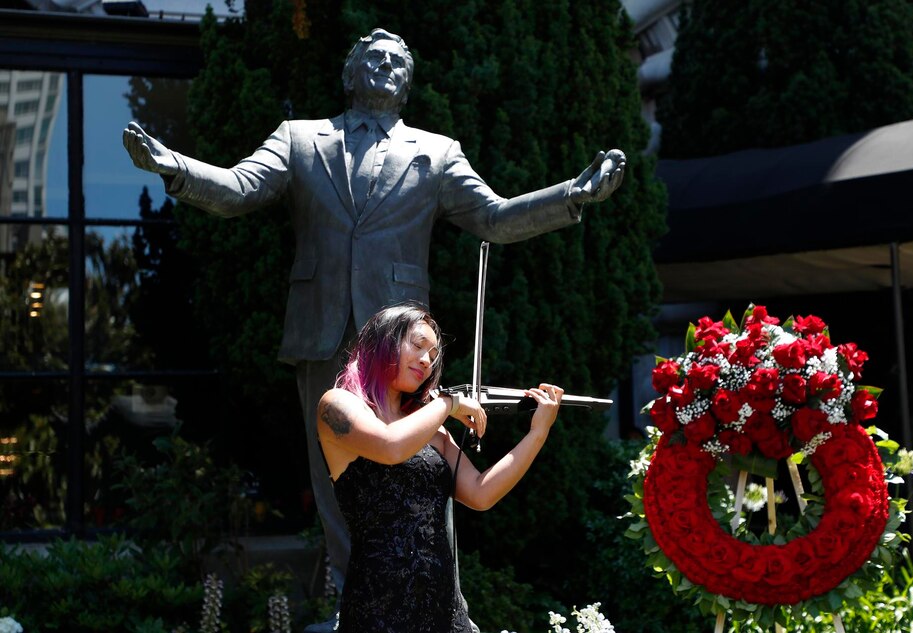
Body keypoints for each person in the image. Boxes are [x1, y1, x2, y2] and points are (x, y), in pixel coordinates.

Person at [122, 27, 624, 631]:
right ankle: (352, 605)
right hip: (323, 335)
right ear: (350, 74)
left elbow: (493, 217)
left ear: (408, 82)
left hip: (401, 346)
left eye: (396, 61)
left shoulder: (437, 153)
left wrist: (574, 194)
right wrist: (173, 166)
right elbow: (238, 188)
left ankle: (440, 607)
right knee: (340, 483)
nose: (384, 66)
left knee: (425, 472)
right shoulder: (301, 139)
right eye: (372, 58)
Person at [317, 302, 562, 632]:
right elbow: (390, 446)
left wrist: (538, 432)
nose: (426, 361)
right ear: (384, 341)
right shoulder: (337, 404)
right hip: (378, 606)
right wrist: (448, 404)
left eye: (433, 355)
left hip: (445, 608)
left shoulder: (434, 429)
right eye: (418, 346)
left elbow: (480, 493)